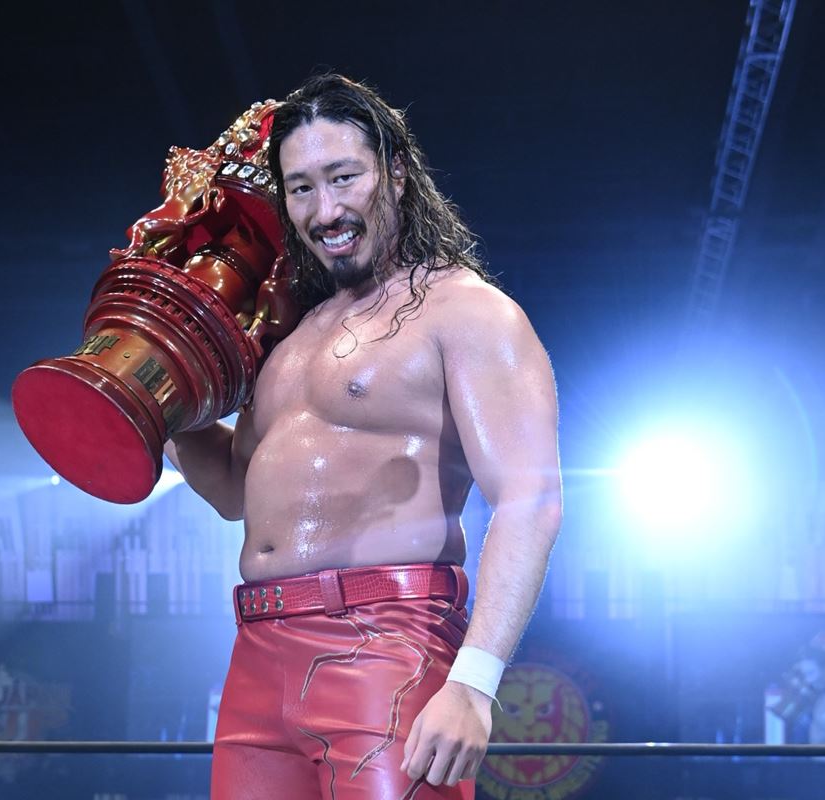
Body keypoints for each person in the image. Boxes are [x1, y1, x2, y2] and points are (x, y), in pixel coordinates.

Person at [164, 73, 562, 800]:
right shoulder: (287, 340)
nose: (326, 210)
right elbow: (235, 494)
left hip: (390, 642)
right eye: (302, 188)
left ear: (396, 173)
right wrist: (163, 404)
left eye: (343, 177)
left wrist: (474, 682)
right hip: (257, 655)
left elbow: (528, 500)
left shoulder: (467, 312)